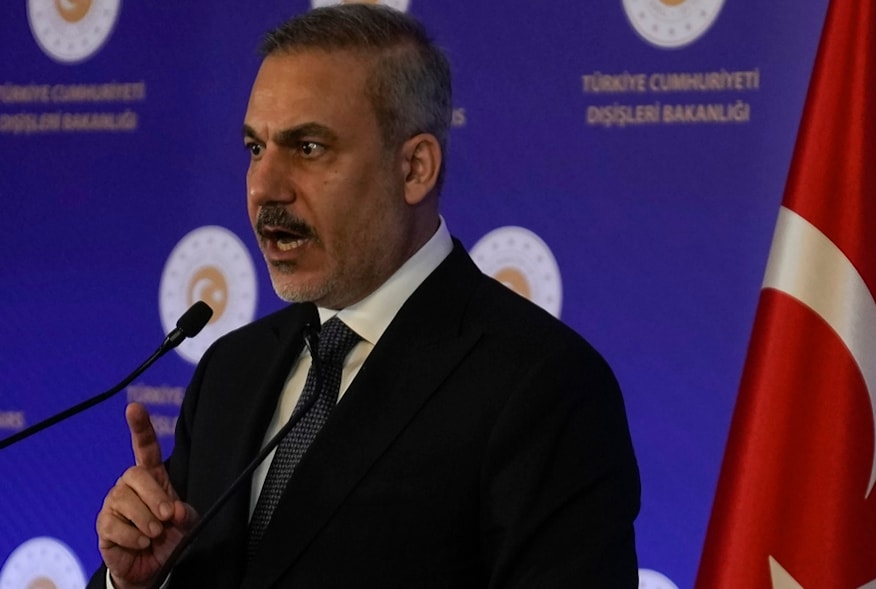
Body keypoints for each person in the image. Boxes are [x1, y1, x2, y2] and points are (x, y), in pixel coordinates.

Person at [89, 4, 640, 588]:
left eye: (307, 148)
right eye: (256, 148)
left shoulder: (542, 386)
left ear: (415, 169)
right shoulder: (231, 371)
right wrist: (141, 582)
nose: (263, 187)